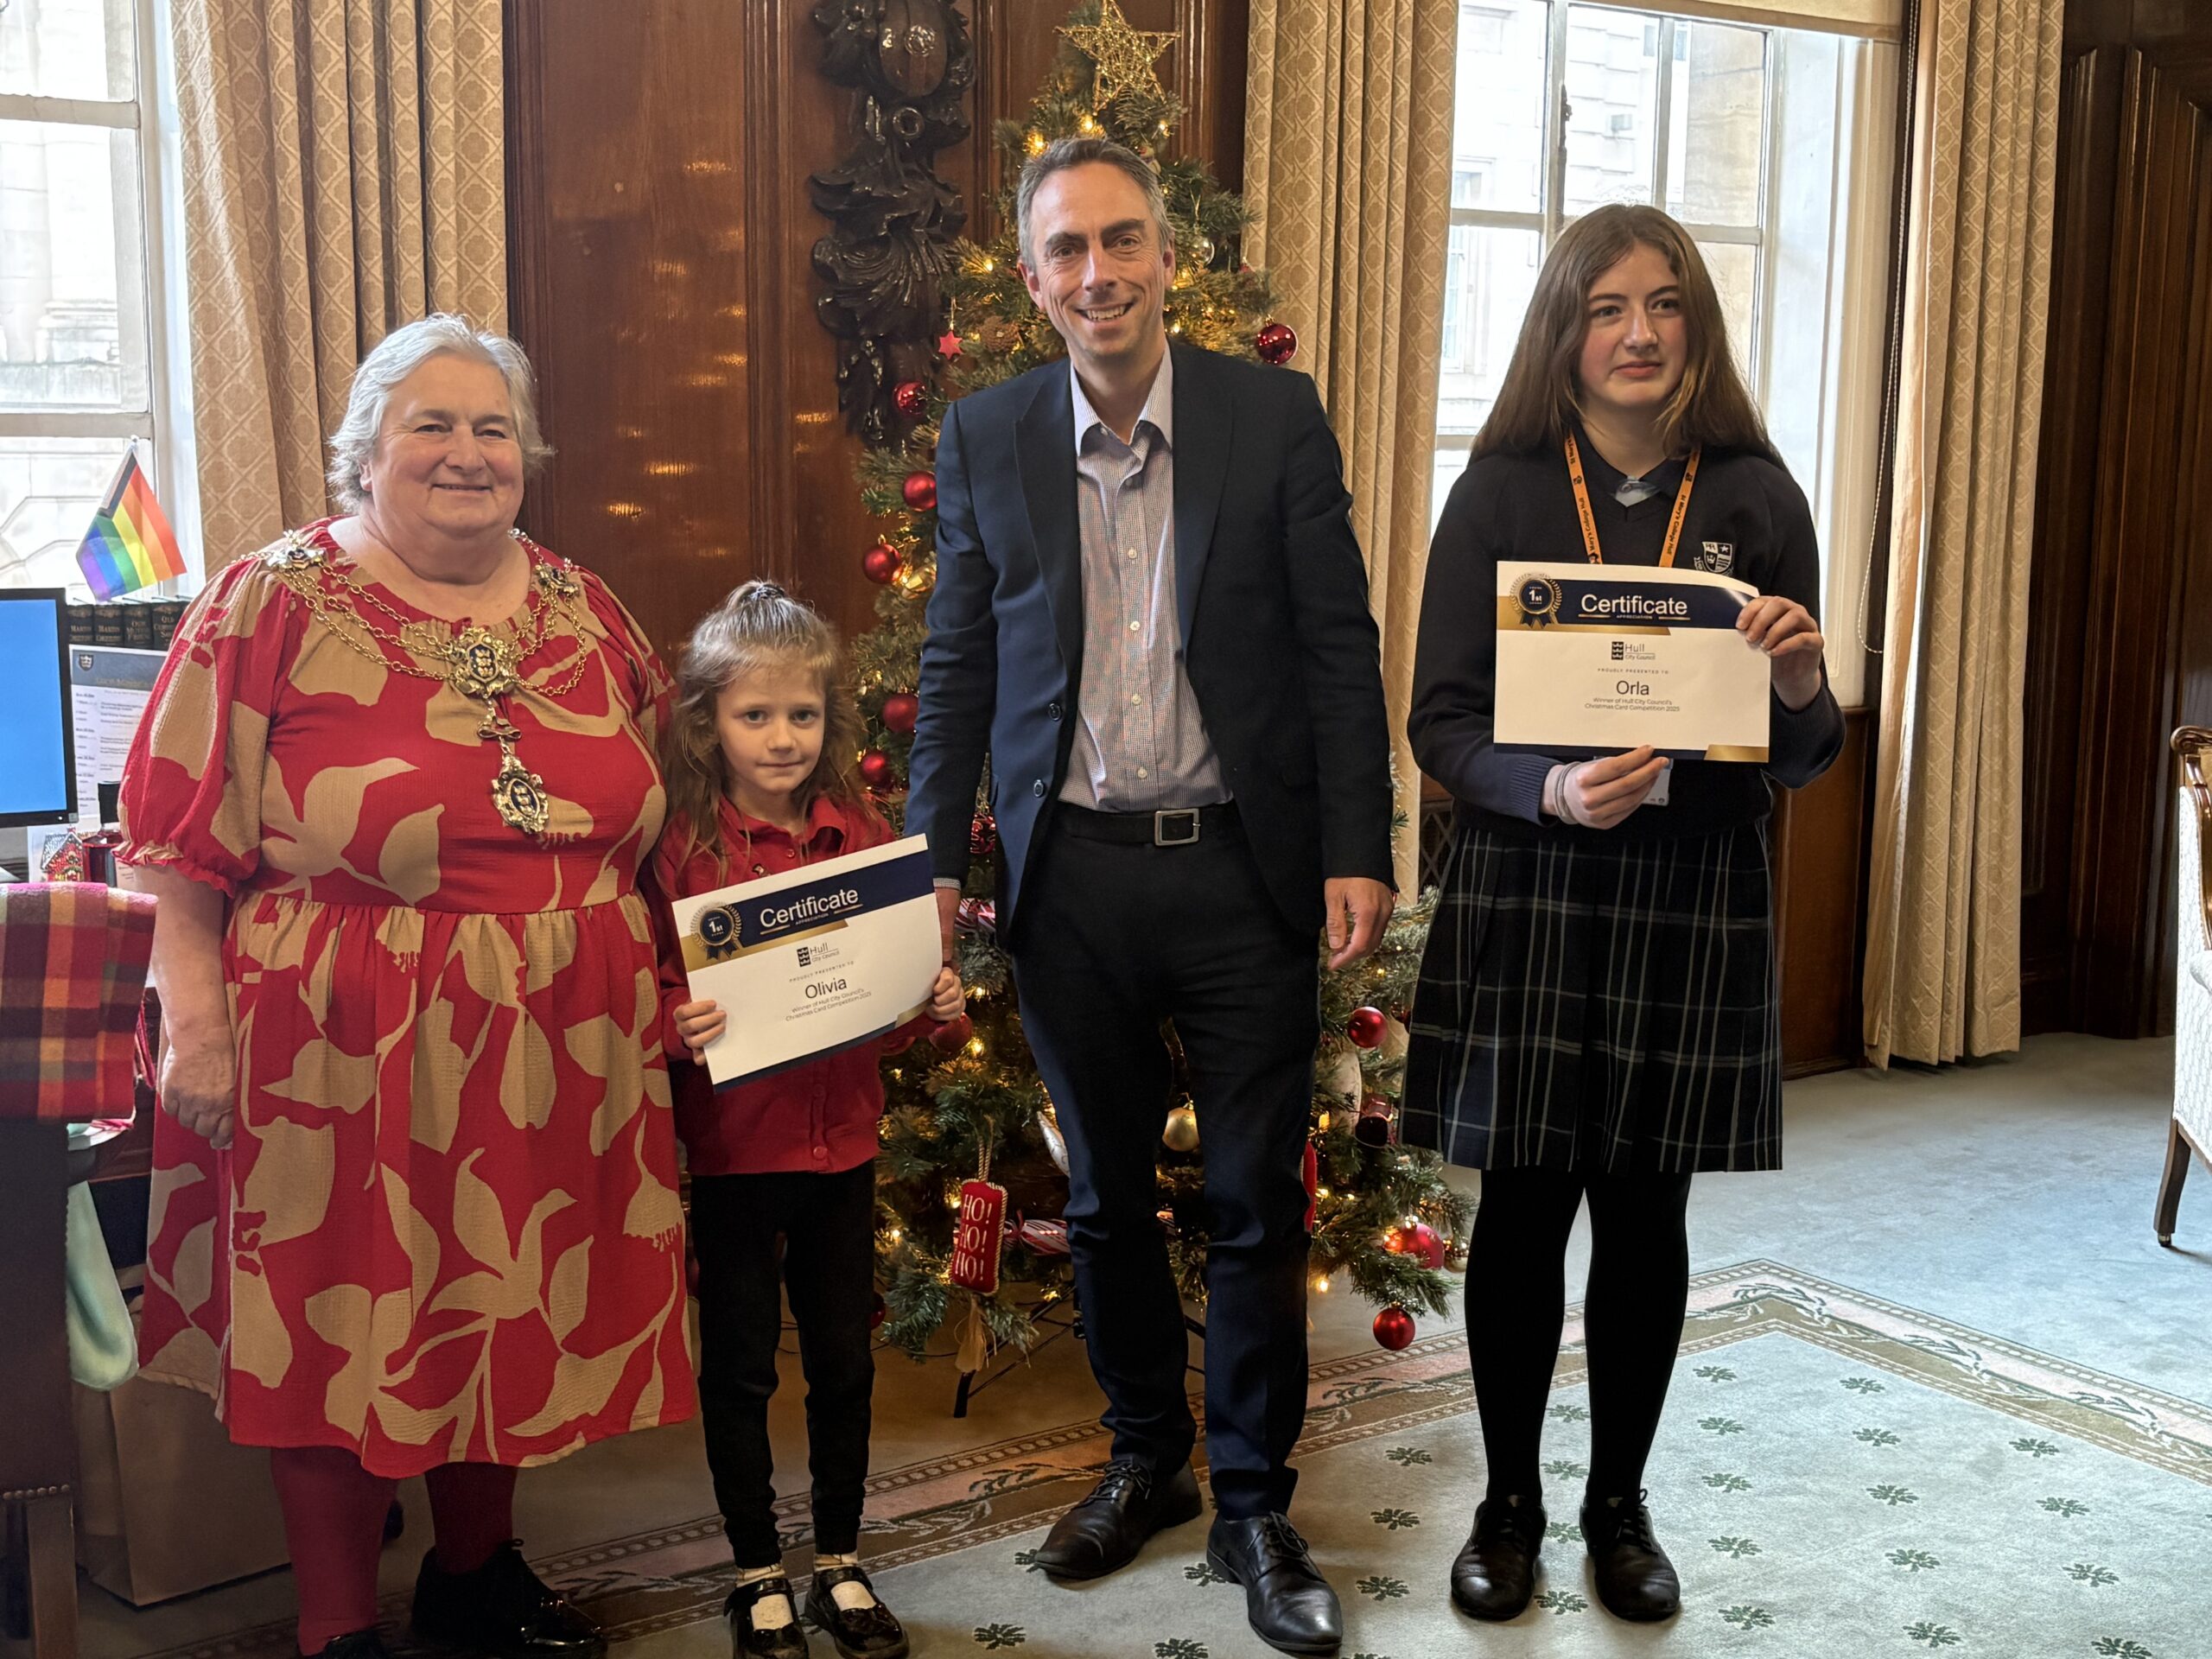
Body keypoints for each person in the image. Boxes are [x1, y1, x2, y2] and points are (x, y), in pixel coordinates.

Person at [120, 315, 694, 1659]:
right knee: (340, 1326)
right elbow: (169, 845)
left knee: (503, 1299)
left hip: (567, 1035)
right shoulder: (271, 599)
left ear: (528, 455)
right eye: (428, 425)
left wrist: (670, 982)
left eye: (492, 427)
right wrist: (194, 1030)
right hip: (337, 1039)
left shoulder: (584, 602)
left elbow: (662, 810)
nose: (464, 452)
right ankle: (338, 1626)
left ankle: (475, 1577)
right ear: (365, 451)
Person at [904, 136, 1395, 1659]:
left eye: (1122, 243)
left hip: (1244, 874)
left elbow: (1336, 648)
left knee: (1256, 1206)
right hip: (1074, 887)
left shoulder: (1271, 417)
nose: (1097, 275)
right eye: (1067, 252)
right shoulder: (987, 439)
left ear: (1166, 256)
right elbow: (958, 671)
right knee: (1107, 1205)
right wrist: (933, 863)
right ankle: (1148, 1464)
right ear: (1037, 276)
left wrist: (1357, 847)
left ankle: (1254, 1502)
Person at [1402, 202, 1844, 1625]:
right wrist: (1544, 794)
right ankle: (1511, 1502)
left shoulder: (1762, 498)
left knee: (1647, 1216)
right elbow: (1441, 722)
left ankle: (1619, 1506)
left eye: (1666, 306)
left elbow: (1812, 747)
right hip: (1533, 880)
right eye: (1608, 308)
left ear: (1695, 328)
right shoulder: (1500, 491)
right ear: (1564, 331)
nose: (1640, 333)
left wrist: (1793, 685)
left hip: (1694, 889)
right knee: (1522, 1212)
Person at [651, 582, 963, 1659]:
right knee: (738, 1366)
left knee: (844, 1361)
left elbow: (886, 1006)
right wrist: (672, 1020)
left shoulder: (862, 835)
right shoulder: (682, 852)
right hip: (736, 1155)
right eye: (754, 715)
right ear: (707, 722)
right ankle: (754, 1571)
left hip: (846, 1148)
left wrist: (932, 1003)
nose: (782, 739)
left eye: (803, 716)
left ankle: (837, 1558)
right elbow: (637, 998)